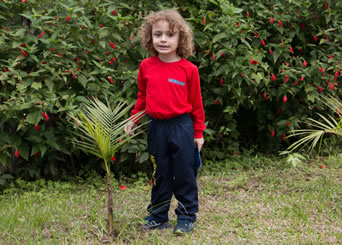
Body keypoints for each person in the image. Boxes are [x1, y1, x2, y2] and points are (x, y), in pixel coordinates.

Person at [124, 9, 206, 235]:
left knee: (184, 173)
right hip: (157, 128)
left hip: (181, 127)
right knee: (159, 173)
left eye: (170, 35)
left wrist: (197, 133)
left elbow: (197, 105)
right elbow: (142, 97)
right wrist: (134, 118)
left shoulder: (189, 70)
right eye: (157, 34)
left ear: (181, 38)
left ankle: (187, 217)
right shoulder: (146, 67)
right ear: (149, 37)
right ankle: (158, 216)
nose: (163, 39)